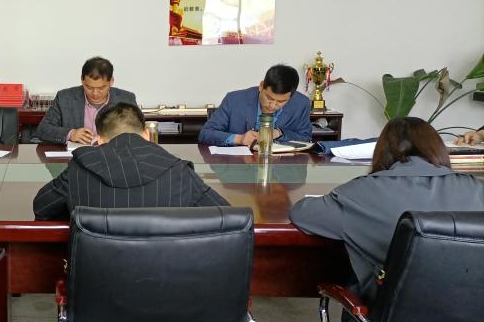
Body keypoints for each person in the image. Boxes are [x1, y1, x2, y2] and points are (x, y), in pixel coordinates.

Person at [290, 117, 484, 303]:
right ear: (439, 149)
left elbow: (302, 214)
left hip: (392, 318)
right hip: (474, 317)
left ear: (382, 151)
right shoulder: (477, 189)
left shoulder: (361, 193)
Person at [33, 102, 228, 220]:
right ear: (147, 135)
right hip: (167, 272)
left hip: (96, 274)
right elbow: (225, 215)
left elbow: (41, 207)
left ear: (99, 140)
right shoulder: (179, 170)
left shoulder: (79, 168)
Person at [198, 64, 312, 147]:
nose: (272, 106)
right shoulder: (234, 100)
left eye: (281, 102)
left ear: (291, 97)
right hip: (240, 167)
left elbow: (306, 138)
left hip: (280, 168)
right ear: (261, 86)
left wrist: (279, 133)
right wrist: (239, 139)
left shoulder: (301, 104)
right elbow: (205, 134)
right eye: (269, 98)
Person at [35, 57, 138, 145]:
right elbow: (43, 129)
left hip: (114, 156)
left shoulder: (126, 99)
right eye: (89, 87)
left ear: (111, 81)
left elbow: (138, 133)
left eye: (101, 88)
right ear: (82, 80)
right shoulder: (64, 98)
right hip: (76, 157)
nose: (95, 93)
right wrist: (71, 134)